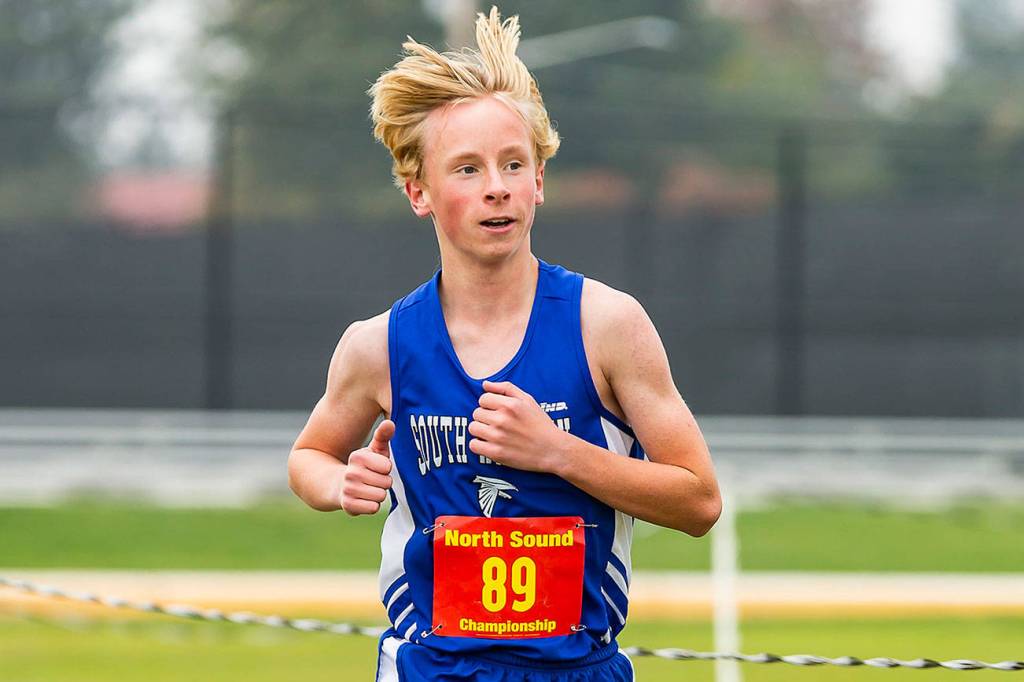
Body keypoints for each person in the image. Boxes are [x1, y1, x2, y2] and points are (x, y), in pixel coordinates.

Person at [288, 7, 721, 681]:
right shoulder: (378, 345)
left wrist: (558, 451)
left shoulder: (608, 325)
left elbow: (698, 502)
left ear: (538, 182)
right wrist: (340, 482)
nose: (496, 187)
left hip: (578, 668)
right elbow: (308, 456)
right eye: (467, 169)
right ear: (419, 191)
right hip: (429, 668)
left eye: (513, 164)